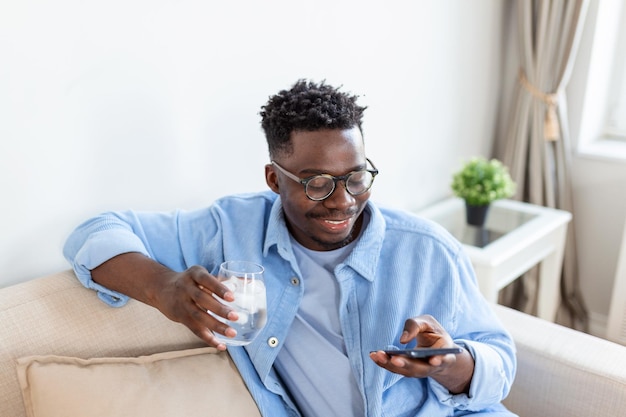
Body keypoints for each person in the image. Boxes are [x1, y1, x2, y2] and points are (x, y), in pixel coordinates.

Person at [63, 79, 517, 416]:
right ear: (274, 179)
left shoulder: (428, 249)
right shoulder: (230, 228)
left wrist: (449, 364)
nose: (343, 201)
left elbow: (499, 363)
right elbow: (94, 232)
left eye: (356, 177)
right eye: (318, 183)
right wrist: (164, 289)